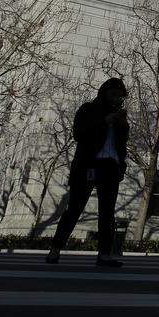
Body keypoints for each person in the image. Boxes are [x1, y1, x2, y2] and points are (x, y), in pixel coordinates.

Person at [47, 78, 130, 267]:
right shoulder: (88, 109)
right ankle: (55, 249)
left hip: (111, 165)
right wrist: (104, 122)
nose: (116, 98)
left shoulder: (120, 117)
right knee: (75, 207)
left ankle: (104, 255)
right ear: (105, 93)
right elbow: (78, 134)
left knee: (107, 212)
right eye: (113, 94)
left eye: (120, 95)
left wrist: (121, 167)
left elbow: (122, 145)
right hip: (89, 165)